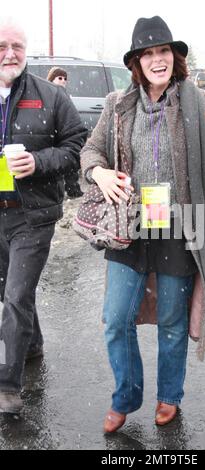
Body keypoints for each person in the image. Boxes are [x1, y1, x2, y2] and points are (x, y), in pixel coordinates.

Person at [81, 15, 205, 433]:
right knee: (116, 318)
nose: (158, 60)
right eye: (148, 53)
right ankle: (125, 395)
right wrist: (98, 173)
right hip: (131, 223)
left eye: (164, 51)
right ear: (137, 62)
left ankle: (168, 396)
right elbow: (91, 151)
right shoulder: (117, 106)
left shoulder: (198, 101)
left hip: (183, 224)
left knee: (173, 322)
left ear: (175, 57)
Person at [0, 19, 88, 413]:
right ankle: (31, 344)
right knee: (11, 292)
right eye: (2, 46)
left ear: (26, 50)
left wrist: (37, 162)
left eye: (17, 46)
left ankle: (7, 385)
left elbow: (77, 145)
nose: (10, 54)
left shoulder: (49, 95)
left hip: (33, 216)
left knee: (15, 296)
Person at [47, 66, 84, 199]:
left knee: (69, 162)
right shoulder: (48, 93)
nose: (63, 81)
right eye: (59, 78)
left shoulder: (63, 94)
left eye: (65, 79)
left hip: (64, 133)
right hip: (53, 134)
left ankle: (72, 188)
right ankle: (68, 189)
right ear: (52, 79)